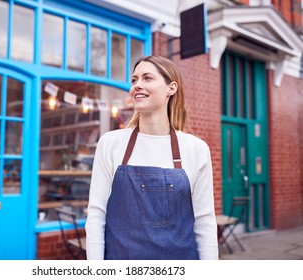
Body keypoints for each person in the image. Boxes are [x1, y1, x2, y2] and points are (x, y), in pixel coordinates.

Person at [85, 55, 218, 260]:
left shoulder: (196, 149)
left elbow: (204, 223)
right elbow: (96, 216)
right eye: (134, 80)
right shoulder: (110, 143)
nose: (137, 85)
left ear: (171, 88)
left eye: (147, 78)